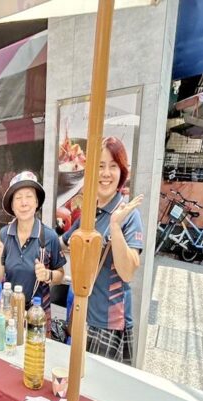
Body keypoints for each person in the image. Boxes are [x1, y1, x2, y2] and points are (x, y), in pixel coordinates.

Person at [61, 137, 144, 365]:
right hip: (83, 317)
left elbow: (128, 272)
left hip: (109, 324)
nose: (106, 173)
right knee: (78, 382)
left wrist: (115, 226)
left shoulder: (129, 215)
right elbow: (63, 242)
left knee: (99, 385)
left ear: (121, 172)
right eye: (100, 166)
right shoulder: (89, 212)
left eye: (113, 166)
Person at [0, 171, 66, 327]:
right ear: (12, 206)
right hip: (9, 314)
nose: (24, 203)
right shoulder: (4, 235)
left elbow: (61, 275)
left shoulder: (49, 236)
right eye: (18, 198)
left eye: (29, 196)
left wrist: (48, 274)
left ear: (36, 202)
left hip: (38, 316)